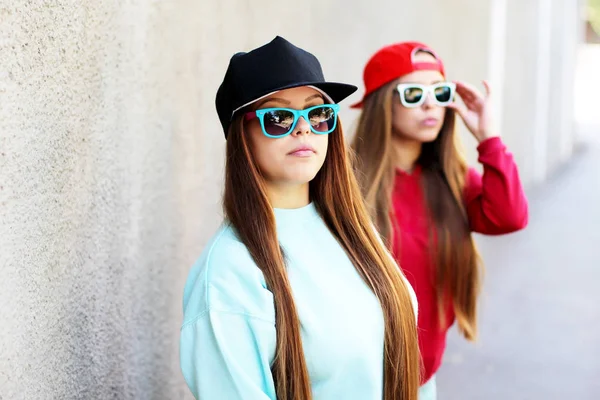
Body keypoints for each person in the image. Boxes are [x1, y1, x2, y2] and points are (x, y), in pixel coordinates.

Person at [179, 36, 421, 400]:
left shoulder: (353, 231)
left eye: (317, 112)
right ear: (241, 136)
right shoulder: (230, 273)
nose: (303, 127)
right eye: (278, 117)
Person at [350, 41, 529, 399]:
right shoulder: (346, 185)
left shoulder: (452, 181)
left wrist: (489, 137)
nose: (431, 103)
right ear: (382, 102)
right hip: (357, 383)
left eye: (440, 92)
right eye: (413, 93)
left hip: (422, 383)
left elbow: (510, 216)